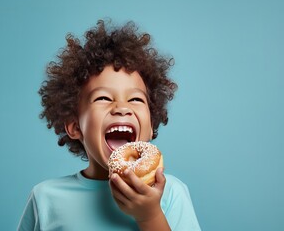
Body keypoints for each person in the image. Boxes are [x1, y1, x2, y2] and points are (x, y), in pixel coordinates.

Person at [18, 19, 201, 231]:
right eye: (103, 98)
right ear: (75, 126)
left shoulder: (170, 192)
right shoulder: (45, 197)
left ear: (151, 125)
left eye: (135, 99)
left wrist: (149, 215)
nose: (122, 108)